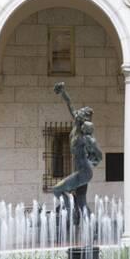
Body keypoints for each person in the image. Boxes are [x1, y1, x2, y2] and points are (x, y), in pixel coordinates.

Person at [52, 82, 103, 215]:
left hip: (84, 172)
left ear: (84, 118)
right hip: (80, 170)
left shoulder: (86, 136)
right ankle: (93, 227)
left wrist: (92, 160)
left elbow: (99, 155)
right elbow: (70, 104)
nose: (77, 113)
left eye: (81, 113)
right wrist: (63, 91)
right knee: (82, 202)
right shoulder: (76, 126)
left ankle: (69, 212)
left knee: (57, 189)